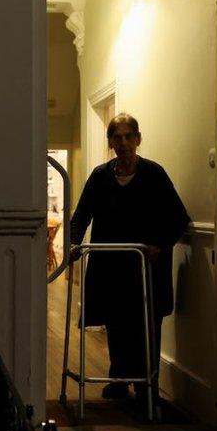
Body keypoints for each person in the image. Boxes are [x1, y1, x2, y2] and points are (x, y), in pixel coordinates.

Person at [69, 113, 190, 406]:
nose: (122, 143)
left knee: (147, 324)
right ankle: (119, 378)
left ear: (137, 139)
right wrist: (73, 243)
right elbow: (81, 215)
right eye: (116, 137)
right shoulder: (100, 176)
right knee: (116, 322)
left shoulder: (154, 174)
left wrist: (158, 245)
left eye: (127, 136)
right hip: (111, 265)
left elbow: (178, 218)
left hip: (145, 266)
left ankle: (147, 384)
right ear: (110, 142)